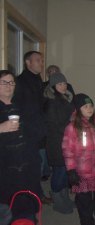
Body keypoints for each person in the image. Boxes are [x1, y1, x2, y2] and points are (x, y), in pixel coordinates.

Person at [62, 93, 95, 225]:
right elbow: (68, 150)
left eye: (91, 105)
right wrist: (71, 170)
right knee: (84, 201)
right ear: (78, 109)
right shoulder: (72, 127)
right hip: (83, 173)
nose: (89, 109)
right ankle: (87, 221)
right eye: (85, 106)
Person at [0, 70, 40, 223]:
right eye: (4, 82)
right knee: (7, 208)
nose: (9, 86)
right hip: (5, 169)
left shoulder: (21, 106)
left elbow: (36, 129)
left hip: (26, 165)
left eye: (11, 82)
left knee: (26, 206)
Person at [13, 50, 52, 205]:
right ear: (28, 62)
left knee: (37, 165)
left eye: (42, 61)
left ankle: (36, 194)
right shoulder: (20, 81)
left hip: (38, 131)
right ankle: (30, 197)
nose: (41, 64)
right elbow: (16, 108)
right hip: (27, 133)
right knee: (30, 167)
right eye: (38, 60)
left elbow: (40, 106)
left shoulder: (38, 80)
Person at [44, 72, 75, 214]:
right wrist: (72, 128)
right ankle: (58, 201)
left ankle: (64, 198)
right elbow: (55, 125)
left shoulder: (65, 99)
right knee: (60, 172)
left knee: (64, 172)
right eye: (59, 84)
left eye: (64, 83)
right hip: (57, 143)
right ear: (53, 86)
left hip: (66, 141)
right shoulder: (52, 102)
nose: (63, 86)